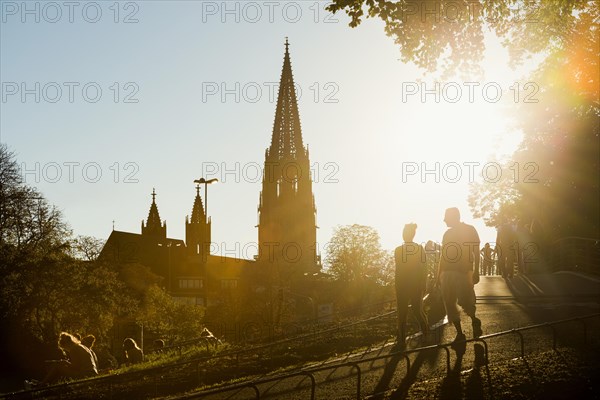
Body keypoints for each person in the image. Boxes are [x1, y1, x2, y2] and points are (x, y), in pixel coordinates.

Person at [436, 207, 482, 343]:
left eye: (446, 217)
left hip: (463, 272)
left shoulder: (470, 229)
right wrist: (438, 275)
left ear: (454, 217)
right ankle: (460, 333)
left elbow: (476, 251)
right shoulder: (446, 234)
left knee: (465, 300)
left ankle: (474, 319)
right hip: (447, 273)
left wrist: (476, 271)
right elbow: (443, 256)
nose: (444, 220)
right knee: (449, 304)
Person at [394, 223, 429, 350]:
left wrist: (423, 283)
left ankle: (425, 334)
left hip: (413, 285)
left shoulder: (419, 249)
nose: (404, 234)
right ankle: (401, 340)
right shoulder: (398, 250)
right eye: (404, 231)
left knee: (417, 310)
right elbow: (398, 269)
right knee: (402, 312)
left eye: (406, 232)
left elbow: (424, 268)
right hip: (402, 285)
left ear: (412, 234)